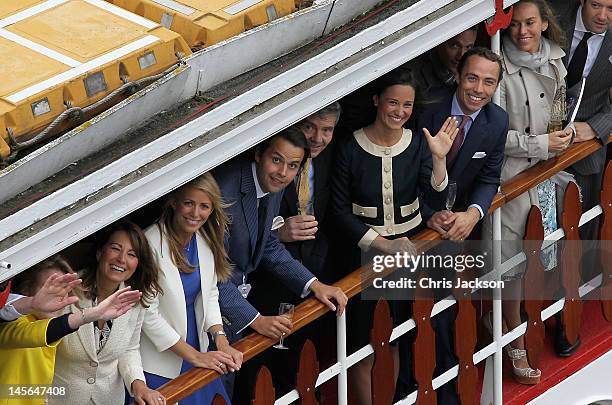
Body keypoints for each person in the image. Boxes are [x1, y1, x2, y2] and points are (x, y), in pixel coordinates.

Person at [331, 69, 455, 405]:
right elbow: (339, 213)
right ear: (376, 101)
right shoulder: (349, 147)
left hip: (407, 258)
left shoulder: (416, 144)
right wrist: (383, 244)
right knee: (362, 345)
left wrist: (439, 158)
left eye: (406, 105)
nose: (399, 111)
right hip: (362, 261)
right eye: (392, 102)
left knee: (397, 336)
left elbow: (435, 199)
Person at [214, 128, 348, 400]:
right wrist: (256, 320)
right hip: (205, 311)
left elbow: (268, 246)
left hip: (231, 306)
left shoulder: (273, 185)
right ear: (258, 154)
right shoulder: (226, 193)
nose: (282, 172)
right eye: (276, 160)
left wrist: (315, 285)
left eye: (292, 166)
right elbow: (213, 274)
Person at [482, 0, 575, 385]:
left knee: (547, 252)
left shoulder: (556, 58)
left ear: (543, 23)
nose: (523, 31)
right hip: (512, 179)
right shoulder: (497, 68)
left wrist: (564, 134)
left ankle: (545, 319)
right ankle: (511, 336)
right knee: (512, 268)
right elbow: (491, 135)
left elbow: (557, 110)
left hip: (548, 174)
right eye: (516, 24)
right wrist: (540, 144)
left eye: (531, 22)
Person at [418, 47, 509, 404]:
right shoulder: (426, 108)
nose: (478, 89)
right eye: (473, 78)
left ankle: (447, 389)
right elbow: (406, 170)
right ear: (458, 74)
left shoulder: (497, 121)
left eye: (489, 82)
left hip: (457, 232)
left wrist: (473, 214)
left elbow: (490, 177)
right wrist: (427, 213)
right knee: (409, 315)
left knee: (449, 311)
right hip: (414, 229)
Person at [141, 173, 242, 405]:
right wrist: (194, 356)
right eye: (189, 203)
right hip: (160, 362)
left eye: (204, 206)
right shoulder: (150, 242)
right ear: (174, 202)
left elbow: (210, 294)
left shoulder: (205, 239)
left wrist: (221, 341)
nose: (196, 214)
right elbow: (147, 315)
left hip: (200, 349)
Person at [550, 0, 612, 357]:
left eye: (610, 8)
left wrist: (595, 129)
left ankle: (565, 321)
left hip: (585, 154)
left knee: (577, 239)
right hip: (535, 148)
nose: (602, 16)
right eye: (596, 5)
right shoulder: (551, 15)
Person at [0, 256, 141, 405]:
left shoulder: (45, 320)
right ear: (26, 290)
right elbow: (46, 331)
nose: (57, 296)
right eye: (49, 289)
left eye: (63, 289)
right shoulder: (16, 324)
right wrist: (92, 314)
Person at [51, 221, 164, 405]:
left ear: (137, 264)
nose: (121, 259)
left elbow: (129, 348)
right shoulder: (68, 290)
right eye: (115, 248)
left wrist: (138, 384)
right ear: (99, 253)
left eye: (131, 254)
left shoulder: (134, 299)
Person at [0, 273, 82, 321]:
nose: (57, 296)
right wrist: (30, 303)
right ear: (26, 289)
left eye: (63, 287)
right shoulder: (20, 325)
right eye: (48, 287)